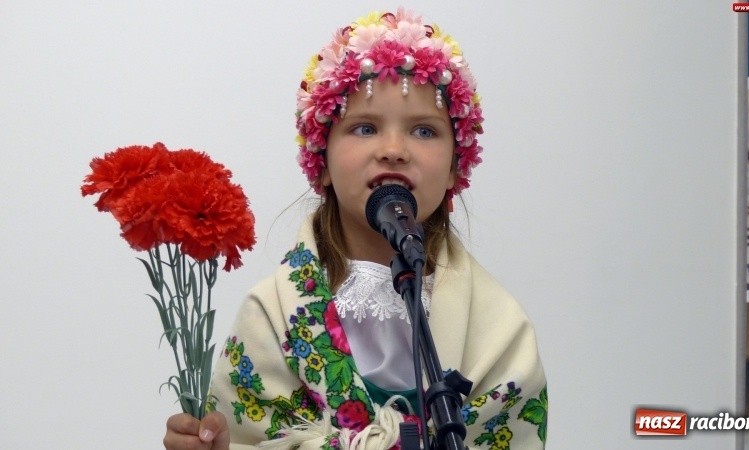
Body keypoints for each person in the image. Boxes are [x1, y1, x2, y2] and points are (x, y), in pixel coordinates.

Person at [163, 8, 547, 450]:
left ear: (453, 169)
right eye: (365, 127)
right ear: (322, 161)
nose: (393, 149)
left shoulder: (499, 331)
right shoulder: (269, 317)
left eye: (424, 131)